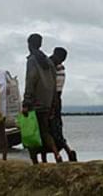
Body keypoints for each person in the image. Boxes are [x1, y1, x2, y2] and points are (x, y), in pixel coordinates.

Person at [21, 33, 61, 164]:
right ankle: (56, 154)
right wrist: (53, 103)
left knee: (31, 131)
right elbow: (55, 83)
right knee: (45, 130)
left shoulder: (32, 60)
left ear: (29, 44)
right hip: (47, 102)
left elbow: (30, 80)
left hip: (35, 102)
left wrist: (26, 102)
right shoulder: (49, 61)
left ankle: (35, 162)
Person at [49, 47, 77, 162]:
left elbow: (55, 91)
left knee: (53, 129)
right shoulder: (58, 69)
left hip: (53, 102)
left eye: (54, 55)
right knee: (56, 130)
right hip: (56, 102)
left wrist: (52, 106)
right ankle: (67, 152)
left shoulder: (58, 71)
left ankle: (61, 154)